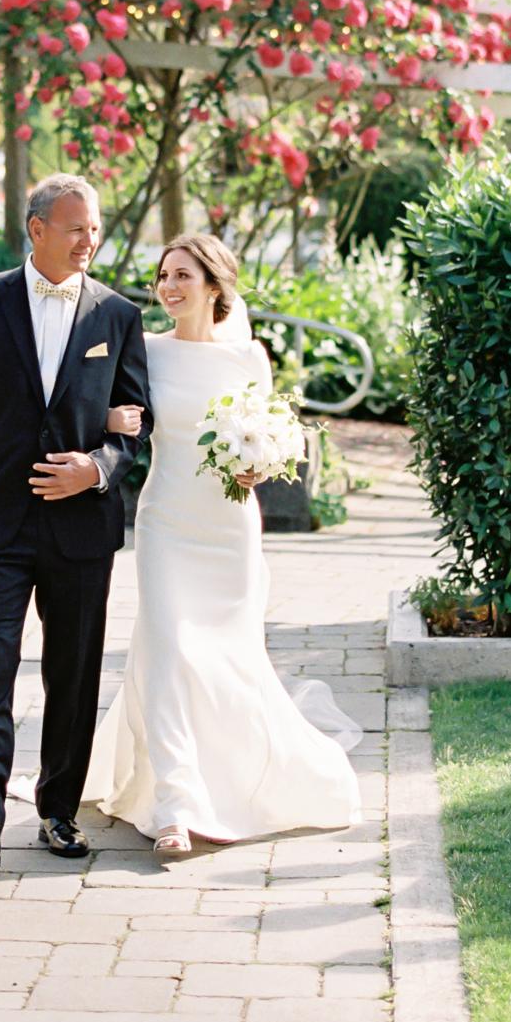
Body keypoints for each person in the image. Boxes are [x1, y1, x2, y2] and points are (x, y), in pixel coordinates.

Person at [87, 233, 361, 858]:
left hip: (229, 527)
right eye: (163, 276)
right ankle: (176, 806)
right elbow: (109, 410)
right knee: (170, 649)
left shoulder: (250, 358)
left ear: (214, 285)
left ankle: (233, 779)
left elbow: (270, 434)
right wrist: (109, 422)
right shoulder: (146, 350)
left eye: (183, 275)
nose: (169, 287)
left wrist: (260, 465)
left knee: (223, 657)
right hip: (165, 521)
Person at [0, 173, 152, 867]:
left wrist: (98, 465)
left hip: (81, 528)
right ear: (37, 229)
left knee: (73, 670)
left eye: (95, 227)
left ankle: (58, 811)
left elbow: (136, 422)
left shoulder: (118, 316)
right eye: (77, 227)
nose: (91, 240)